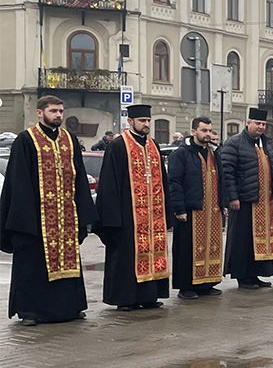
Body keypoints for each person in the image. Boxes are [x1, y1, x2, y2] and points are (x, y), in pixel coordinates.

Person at [1, 95, 98, 325]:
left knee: (69, 262)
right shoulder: (26, 140)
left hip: (66, 217)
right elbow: (19, 182)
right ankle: (30, 311)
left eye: (61, 111)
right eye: (54, 111)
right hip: (36, 218)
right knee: (33, 265)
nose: (58, 115)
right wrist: (25, 220)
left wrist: (84, 214)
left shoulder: (69, 140)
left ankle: (69, 308)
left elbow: (80, 180)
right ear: (40, 112)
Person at [94, 104, 171, 311]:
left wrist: (167, 212)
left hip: (153, 216)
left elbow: (163, 181)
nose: (146, 124)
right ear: (131, 122)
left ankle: (149, 296)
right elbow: (109, 184)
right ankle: (125, 299)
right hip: (127, 215)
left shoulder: (153, 145)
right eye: (142, 121)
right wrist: (111, 217)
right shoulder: (118, 146)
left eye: (148, 121)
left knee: (153, 253)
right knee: (126, 257)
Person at [220, 108, 273, 290]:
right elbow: (228, 173)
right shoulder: (234, 143)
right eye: (257, 123)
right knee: (243, 241)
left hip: (264, 201)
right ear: (248, 123)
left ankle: (255, 274)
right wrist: (233, 197)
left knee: (259, 240)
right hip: (244, 201)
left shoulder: (267, 144)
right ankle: (243, 277)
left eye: (263, 124)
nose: (261, 127)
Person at [167, 117, 226, 300]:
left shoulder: (214, 153)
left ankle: (206, 284)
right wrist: (180, 209)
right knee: (187, 250)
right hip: (191, 210)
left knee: (211, 247)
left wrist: (223, 203)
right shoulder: (181, 154)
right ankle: (186, 286)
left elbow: (221, 180)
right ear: (194, 132)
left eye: (209, 130)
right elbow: (174, 182)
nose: (207, 134)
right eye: (203, 130)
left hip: (212, 210)